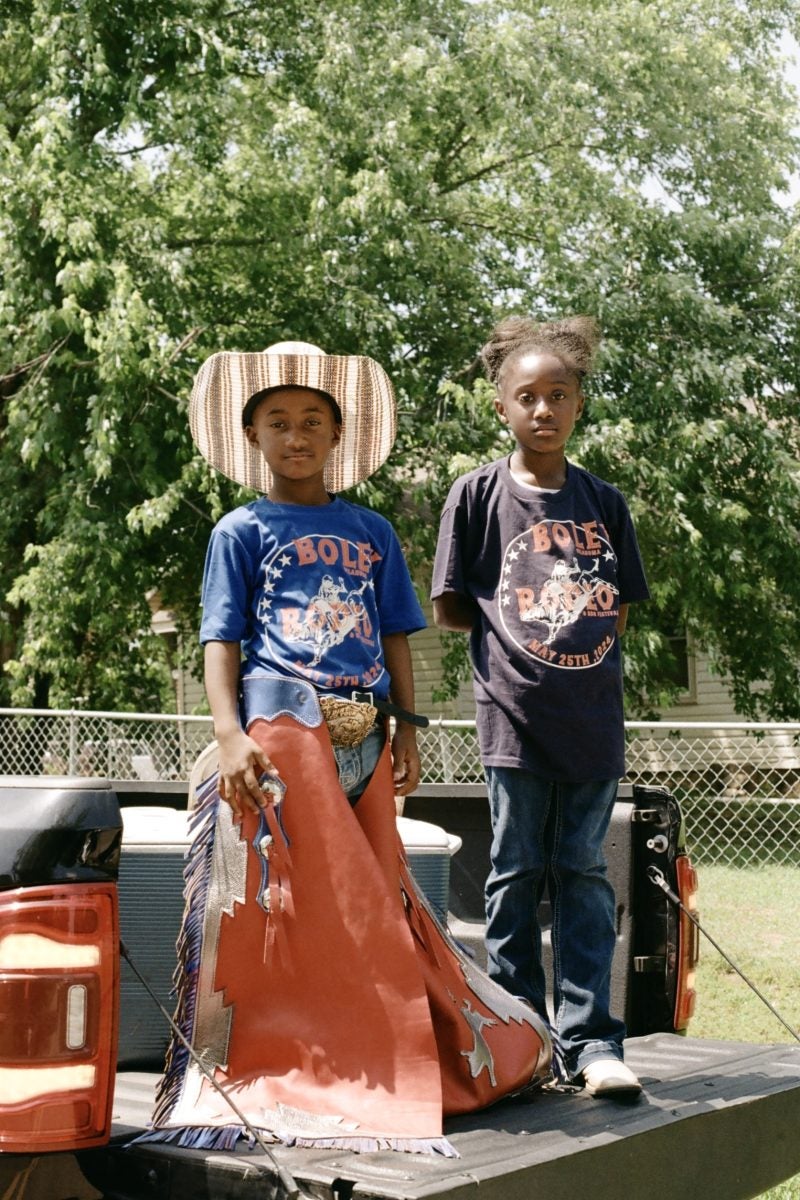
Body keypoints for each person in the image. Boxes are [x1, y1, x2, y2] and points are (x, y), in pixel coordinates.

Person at [149, 340, 552, 1157]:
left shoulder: (369, 532)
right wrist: (227, 735)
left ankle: (392, 1046)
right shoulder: (240, 530)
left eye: (311, 422)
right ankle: (297, 1057)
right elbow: (221, 641)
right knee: (286, 912)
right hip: (279, 738)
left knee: (372, 898)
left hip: (364, 733)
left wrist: (408, 726)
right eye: (278, 423)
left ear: (337, 436)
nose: (295, 436)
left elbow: (399, 634)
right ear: (252, 436)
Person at [431, 316, 650, 1098]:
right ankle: (519, 1038)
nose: (544, 410)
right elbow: (455, 605)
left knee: (585, 875)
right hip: (512, 719)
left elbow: (618, 607)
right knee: (515, 873)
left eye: (559, 395)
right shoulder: (478, 495)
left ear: (580, 403)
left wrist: (571, 657)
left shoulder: (604, 502)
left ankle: (592, 1043)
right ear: (502, 406)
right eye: (527, 397)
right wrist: (518, 653)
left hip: (592, 723)